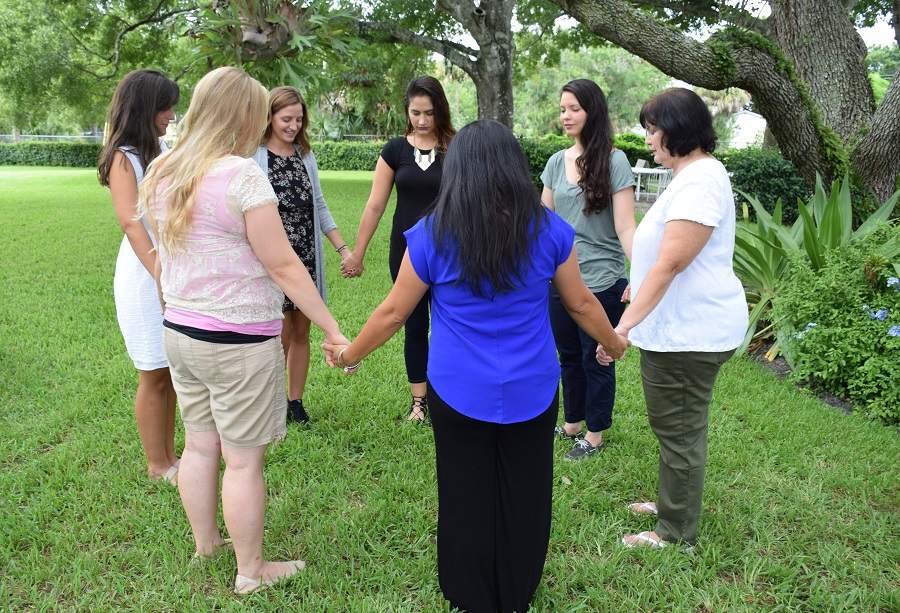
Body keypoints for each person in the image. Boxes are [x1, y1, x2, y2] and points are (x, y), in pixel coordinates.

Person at [324, 120, 629, 612]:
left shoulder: (431, 234)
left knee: (465, 495)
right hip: (532, 389)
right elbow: (581, 305)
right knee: (526, 496)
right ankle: (516, 591)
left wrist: (348, 354)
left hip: (457, 391)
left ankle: (470, 593)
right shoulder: (549, 230)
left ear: (458, 170)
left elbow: (394, 312)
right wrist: (613, 343)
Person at [139, 66, 348, 593]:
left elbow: (161, 255)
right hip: (238, 339)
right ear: (242, 115)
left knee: (200, 445)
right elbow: (283, 266)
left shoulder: (164, 169)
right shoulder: (242, 175)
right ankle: (251, 571)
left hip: (181, 332)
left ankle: (206, 544)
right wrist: (331, 327)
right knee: (243, 460)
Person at [601, 88, 748, 548]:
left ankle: (675, 531)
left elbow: (673, 263)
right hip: (678, 328)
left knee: (680, 429)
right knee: (673, 424)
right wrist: (636, 282)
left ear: (677, 130)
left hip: (691, 333)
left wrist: (621, 329)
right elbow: (664, 258)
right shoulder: (691, 176)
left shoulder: (701, 179)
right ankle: (671, 504)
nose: (647, 138)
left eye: (652, 128)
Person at [340, 76, 455, 421]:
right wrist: (358, 252)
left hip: (450, 249)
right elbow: (375, 205)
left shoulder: (456, 146)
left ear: (441, 111)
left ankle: (448, 396)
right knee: (413, 323)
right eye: (416, 112)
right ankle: (419, 401)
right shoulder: (394, 150)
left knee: (451, 324)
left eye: (429, 113)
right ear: (407, 110)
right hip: (406, 250)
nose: (422, 120)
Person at [541, 79, 636, 461]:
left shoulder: (615, 161)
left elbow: (626, 225)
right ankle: (572, 424)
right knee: (566, 355)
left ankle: (594, 436)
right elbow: (543, 222)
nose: (565, 115)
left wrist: (641, 272)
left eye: (574, 109)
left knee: (595, 356)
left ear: (592, 111)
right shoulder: (554, 162)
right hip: (558, 278)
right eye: (562, 108)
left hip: (601, 279)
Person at [97, 69, 181, 484]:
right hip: (143, 271)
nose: (171, 113)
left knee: (170, 369)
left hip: (169, 266)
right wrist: (159, 274)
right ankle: (157, 464)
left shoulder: (161, 149)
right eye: (165, 105)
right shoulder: (123, 156)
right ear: (146, 107)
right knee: (152, 370)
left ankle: (171, 456)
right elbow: (131, 222)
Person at [252, 86, 352, 424]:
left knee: (301, 333)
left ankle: (295, 402)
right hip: (272, 259)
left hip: (306, 255)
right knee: (277, 335)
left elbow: (319, 205)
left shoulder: (304, 155)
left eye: (298, 119)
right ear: (269, 117)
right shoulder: (255, 155)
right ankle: (271, 402)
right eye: (285, 119)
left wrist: (342, 248)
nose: (293, 126)